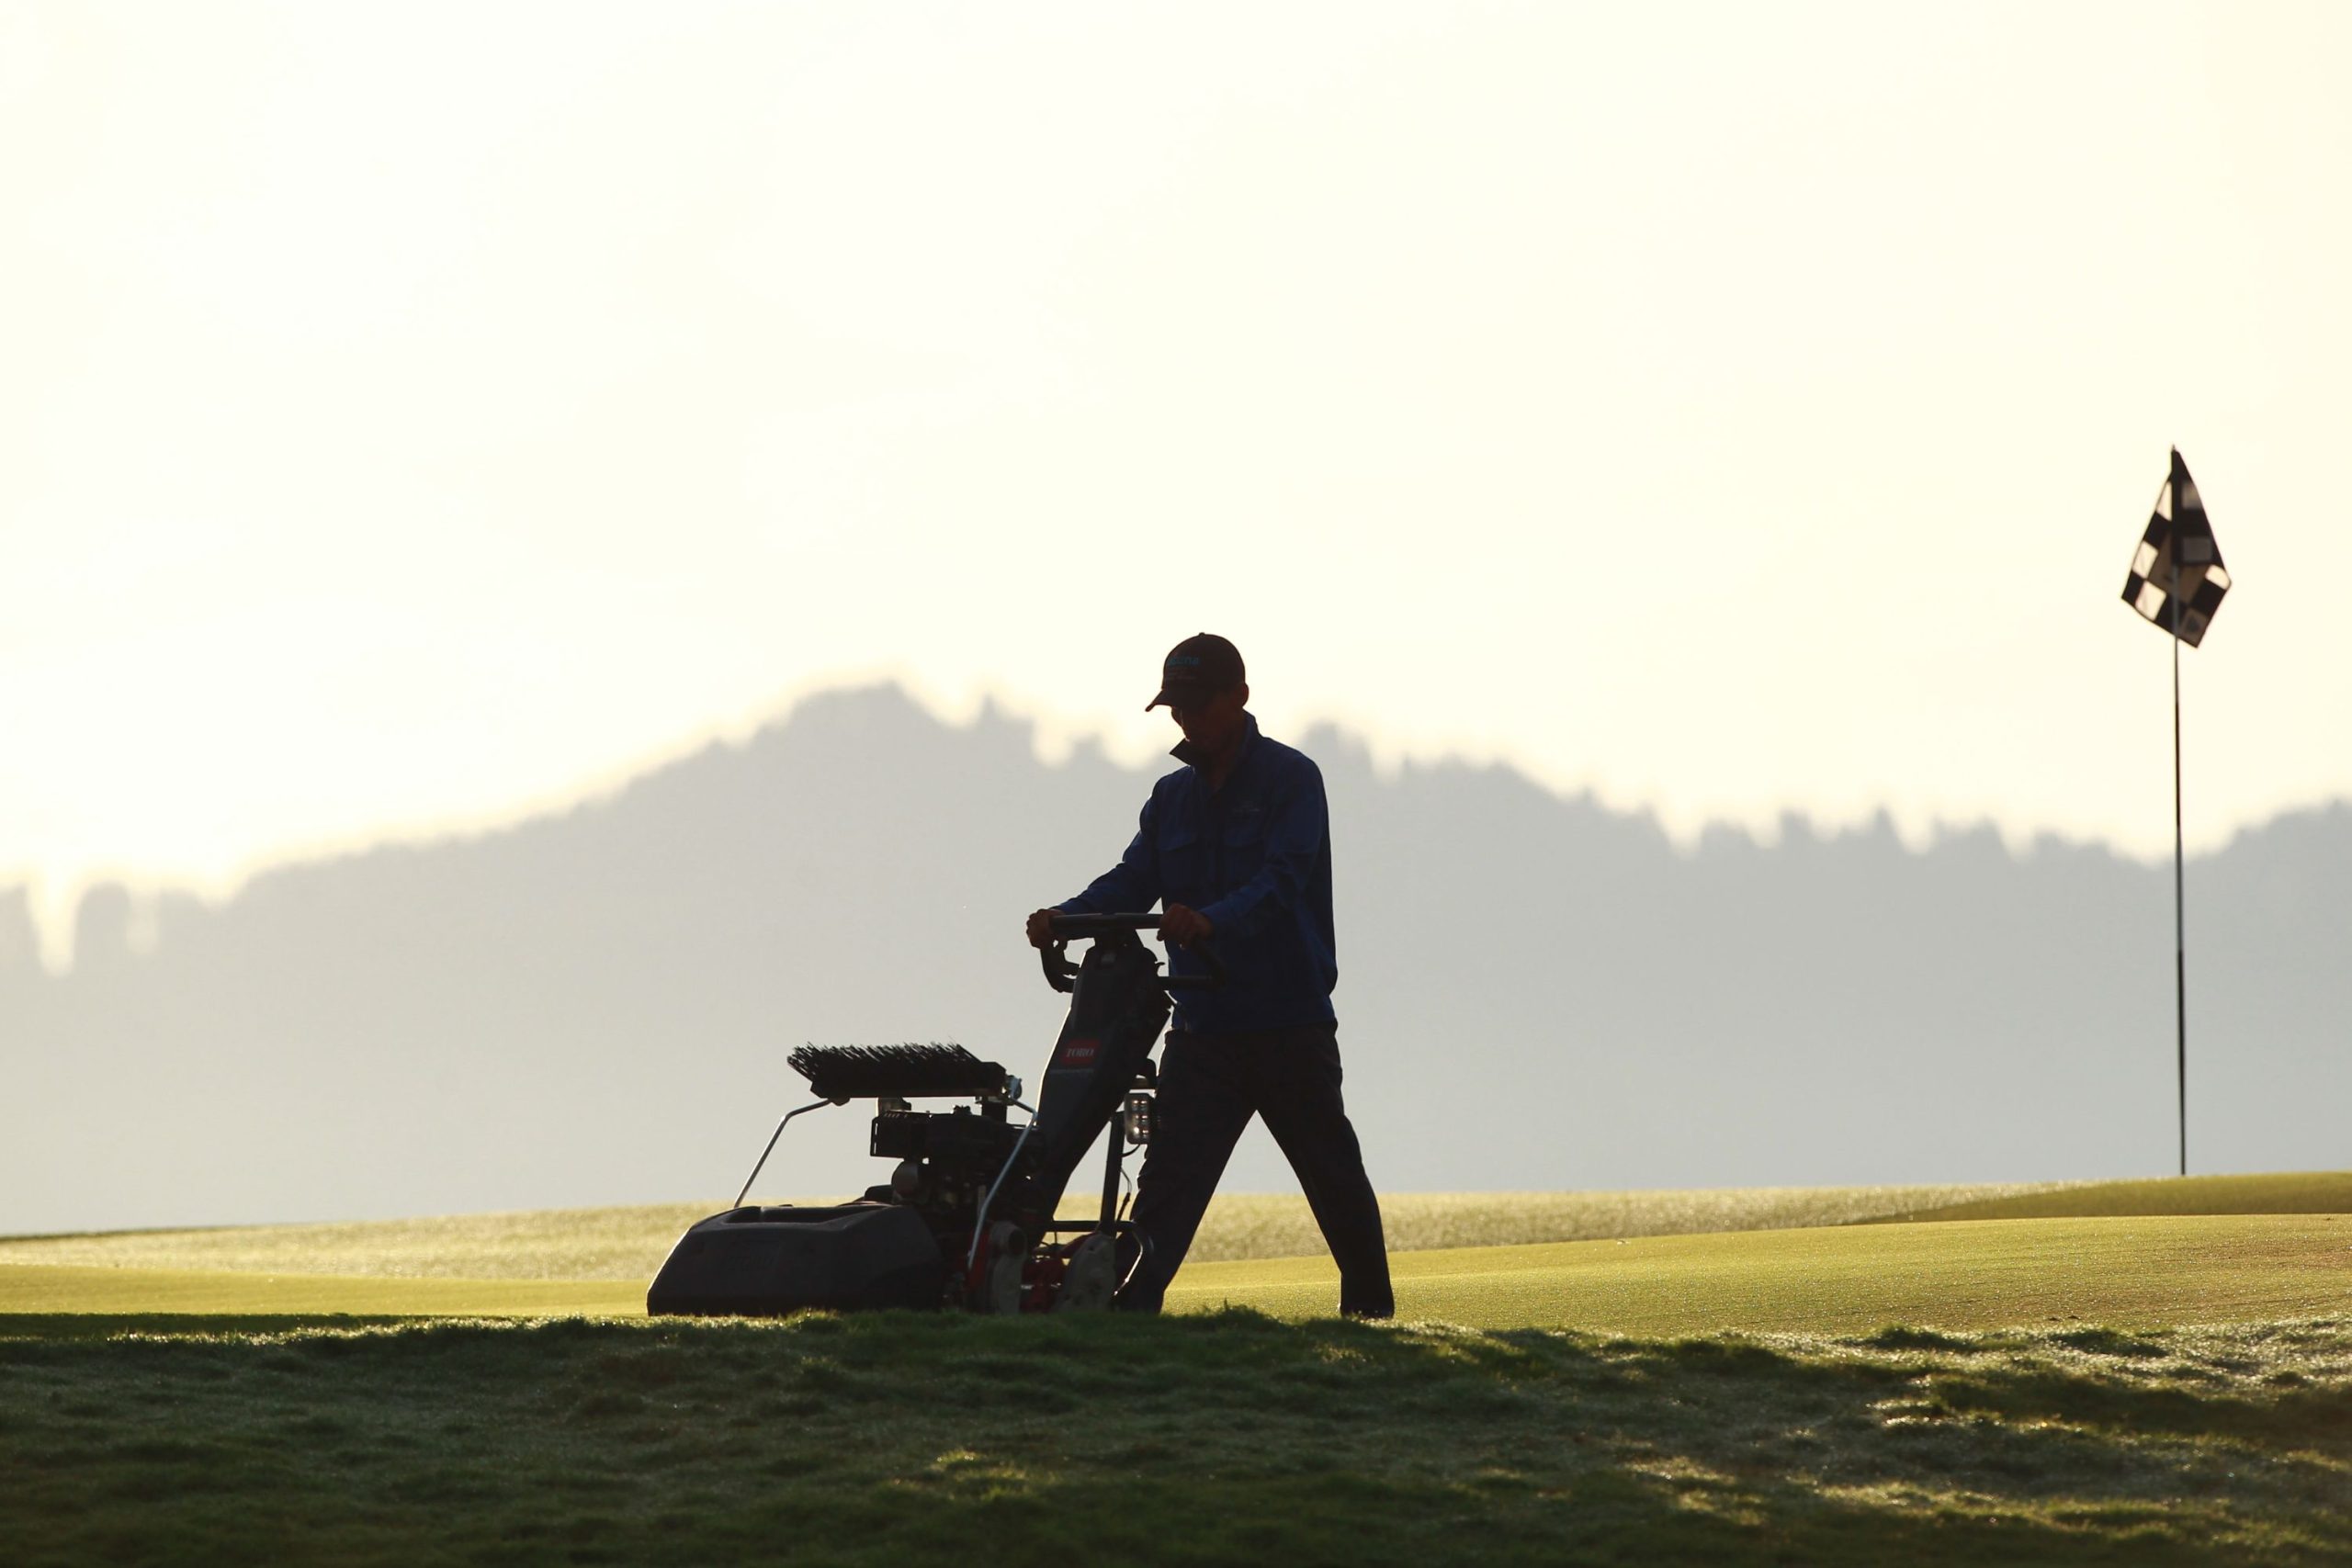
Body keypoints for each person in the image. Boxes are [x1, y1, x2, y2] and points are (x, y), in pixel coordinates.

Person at [1025, 633, 1394, 1318]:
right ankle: (1128, 1319)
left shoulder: (1292, 779)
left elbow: (1282, 879)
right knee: (1168, 1186)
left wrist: (1211, 921)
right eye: (1176, 706)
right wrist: (1065, 916)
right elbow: (1131, 879)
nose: (1184, 719)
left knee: (1333, 1177)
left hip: (1288, 1023)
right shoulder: (1171, 797)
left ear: (1239, 697)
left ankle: (1371, 1317)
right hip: (1203, 1030)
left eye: (1197, 704)